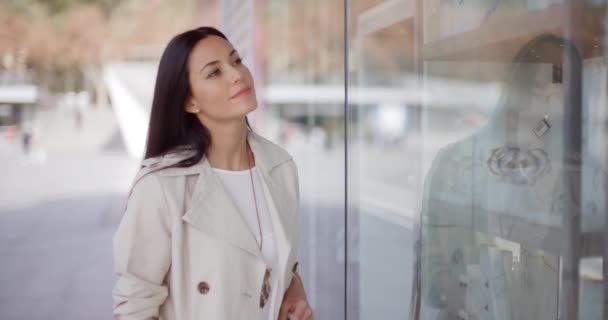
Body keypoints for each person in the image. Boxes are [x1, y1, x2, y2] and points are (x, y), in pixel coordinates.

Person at [112, 26, 312, 320]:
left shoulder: (280, 167)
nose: (236, 75)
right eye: (214, 72)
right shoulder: (162, 186)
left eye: (236, 61)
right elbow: (134, 306)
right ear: (189, 101)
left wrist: (293, 289)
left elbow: (277, 264)